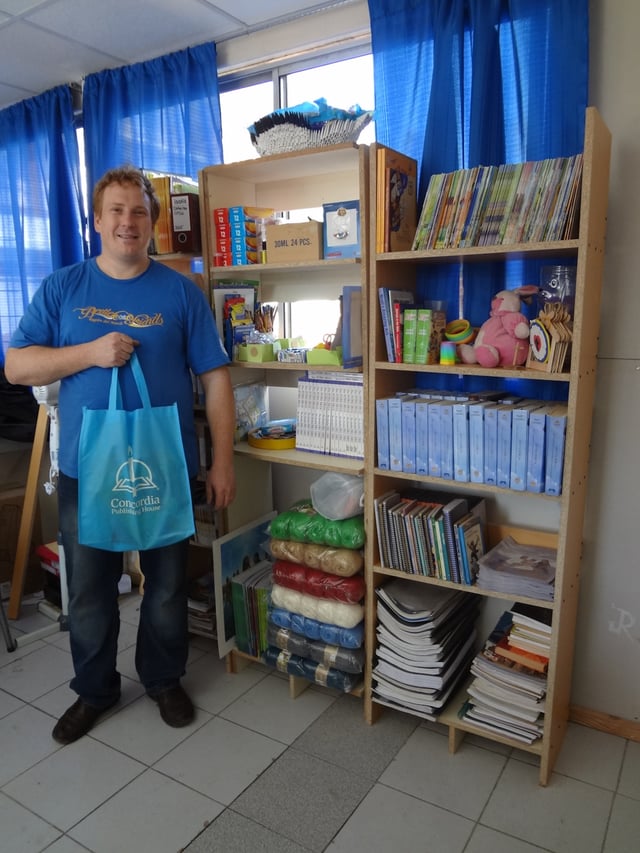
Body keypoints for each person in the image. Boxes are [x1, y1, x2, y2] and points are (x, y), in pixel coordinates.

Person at [4, 166, 236, 744]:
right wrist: (88, 352)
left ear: (152, 221)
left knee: (164, 585)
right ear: (97, 220)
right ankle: (95, 690)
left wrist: (223, 461)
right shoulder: (64, 287)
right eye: (116, 211)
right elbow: (17, 365)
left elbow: (215, 378)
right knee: (87, 588)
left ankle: (162, 678)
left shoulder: (181, 292)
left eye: (137, 211)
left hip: (169, 464)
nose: (127, 222)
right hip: (90, 467)